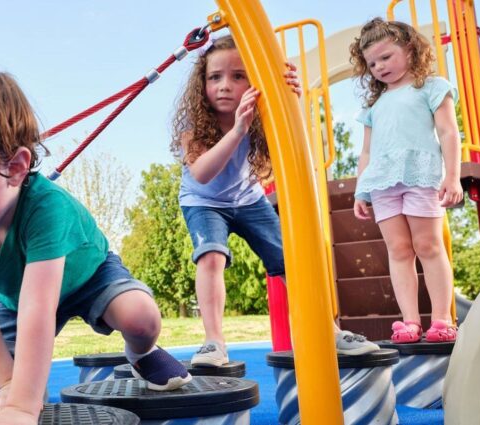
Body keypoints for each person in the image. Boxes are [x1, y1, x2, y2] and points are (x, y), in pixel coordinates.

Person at [0, 63, 191, 425]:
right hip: (17, 300)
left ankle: (141, 354)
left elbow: (39, 309)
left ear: (14, 168)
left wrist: (23, 406)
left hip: (89, 278)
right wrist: (9, 380)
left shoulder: (46, 208)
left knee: (140, 318)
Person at [173, 35, 381, 367]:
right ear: (203, 82)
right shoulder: (194, 123)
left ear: (255, 80)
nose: (225, 85)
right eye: (215, 77)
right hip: (204, 201)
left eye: (238, 76)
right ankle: (214, 342)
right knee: (210, 257)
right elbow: (201, 173)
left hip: (249, 199)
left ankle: (329, 331)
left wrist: (288, 98)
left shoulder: (261, 113)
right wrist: (238, 129)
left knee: (291, 260)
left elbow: (290, 146)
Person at [349, 18, 462, 343]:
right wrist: (361, 190)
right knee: (398, 250)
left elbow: (448, 132)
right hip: (383, 184)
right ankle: (410, 321)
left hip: (420, 175)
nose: (379, 67)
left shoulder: (431, 87)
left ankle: (441, 319)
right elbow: (366, 153)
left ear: (410, 49)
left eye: (386, 57)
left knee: (427, 245)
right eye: (372, 63)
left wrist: (452, 176)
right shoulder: (375, 106)